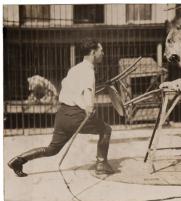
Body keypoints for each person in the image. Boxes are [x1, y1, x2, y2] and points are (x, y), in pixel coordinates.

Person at [8, 38, 114, 177]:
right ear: (93, 52)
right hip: (76, 115)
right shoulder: (88, 71)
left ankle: (19, 160)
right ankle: (101, 165)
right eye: (101, 50)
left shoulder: (74, 69)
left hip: (62, 115)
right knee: (106, 129)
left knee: (52, 149)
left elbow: (70, 89)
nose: (103, 53)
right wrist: (89, 107)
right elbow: (88, 91)